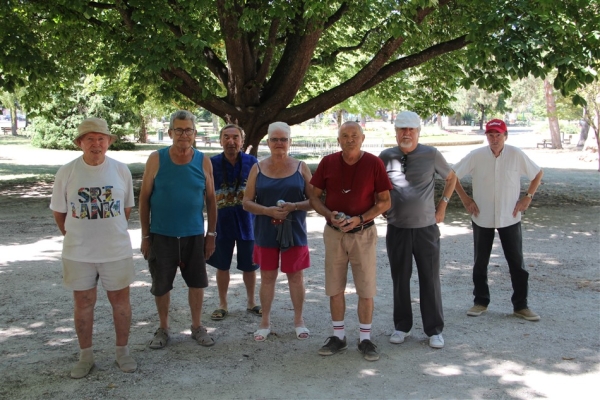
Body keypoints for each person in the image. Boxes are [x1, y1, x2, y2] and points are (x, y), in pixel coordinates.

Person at [50, 117, 137, 378]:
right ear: (80, 143)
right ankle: (85, 356)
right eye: (90, 139)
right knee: (83, 302)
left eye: (101, 138)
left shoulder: (121, 170)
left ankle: (122, 352)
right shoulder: (67, 172)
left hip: (116, 250)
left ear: (109, 142)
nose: (96, 144)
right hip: (78, 252)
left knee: (120, 302)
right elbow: (59, 213)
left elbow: (126, 209)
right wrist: (76, 235)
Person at [309, 121, 392, 361]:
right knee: (334, 287)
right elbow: (314, 196)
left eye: (354, 135)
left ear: (362, 138)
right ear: (338, 140)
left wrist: (360, 219)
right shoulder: (328, 162)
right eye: (344, 135)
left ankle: (365, 339)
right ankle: (339, 337)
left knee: (366, 288)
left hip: (363, 233)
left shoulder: (374, 163)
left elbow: (385, 201)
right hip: (334, 233)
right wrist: (328, 214)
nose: (350, 139)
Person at [139, 110, 217, 349]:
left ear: (195, 132)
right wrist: (145, 236)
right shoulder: (156, 159)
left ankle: (196, 326)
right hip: (162, 234)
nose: (184, 135)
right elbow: (144, 198)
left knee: (197, 283)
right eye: (179, 130)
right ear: (170, 132)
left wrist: (211, 235)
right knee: (161, 284)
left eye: (189, 130)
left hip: (193, 234)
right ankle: (163, 328)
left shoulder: (203, 160)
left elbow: (212, 200)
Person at [379, 111, 457, 350]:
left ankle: (434, 330)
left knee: (429, 279)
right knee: (400, 278)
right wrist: (380, 207)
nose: (407, 133)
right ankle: (401, 326)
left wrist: (442, 205)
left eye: (411, 129)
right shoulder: (385, 156)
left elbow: (451, 178)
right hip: (397, 228)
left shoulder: (431, 154)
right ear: (396, 132)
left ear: (418, 132)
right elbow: (376, 185)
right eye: (402, 129)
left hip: (426, 229)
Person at [453, 119, 543, 321]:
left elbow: (537, 173)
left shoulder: (516, 154)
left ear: (505, 136)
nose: (494, 139)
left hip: (509, 216)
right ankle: (480, 302)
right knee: (480, 262)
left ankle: (521, 305)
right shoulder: (476, 156)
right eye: (491, 135)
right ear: (486, 136)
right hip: (482, 216)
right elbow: (452, 175)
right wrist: (466, 199)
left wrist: (527, 197)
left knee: (516, 263)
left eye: (498, 135)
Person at [242, 121, 312, 342]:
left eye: (283, 139)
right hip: (265, 231)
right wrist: (267, 210)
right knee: (268, 277)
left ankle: (299, 321)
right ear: (268, 142)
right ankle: (265, 322)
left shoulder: (301, 167)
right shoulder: (258, 168)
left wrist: (295, 206)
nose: (279, 143)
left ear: (290, 142)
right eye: (275, 139)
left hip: (295, 231)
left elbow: (315, 201)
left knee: (296, 276)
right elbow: (246, 202)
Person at [207, 124, 261, 321]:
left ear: (242, 141)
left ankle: (251, 302)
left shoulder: (252, 162)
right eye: (226, 137)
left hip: (248, 223)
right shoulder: (210, 163)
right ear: (220, 140)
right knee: (222, 266)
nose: (231, 141)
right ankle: (222, 304)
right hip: (221, 223)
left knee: (250, 266)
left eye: (235, 137)